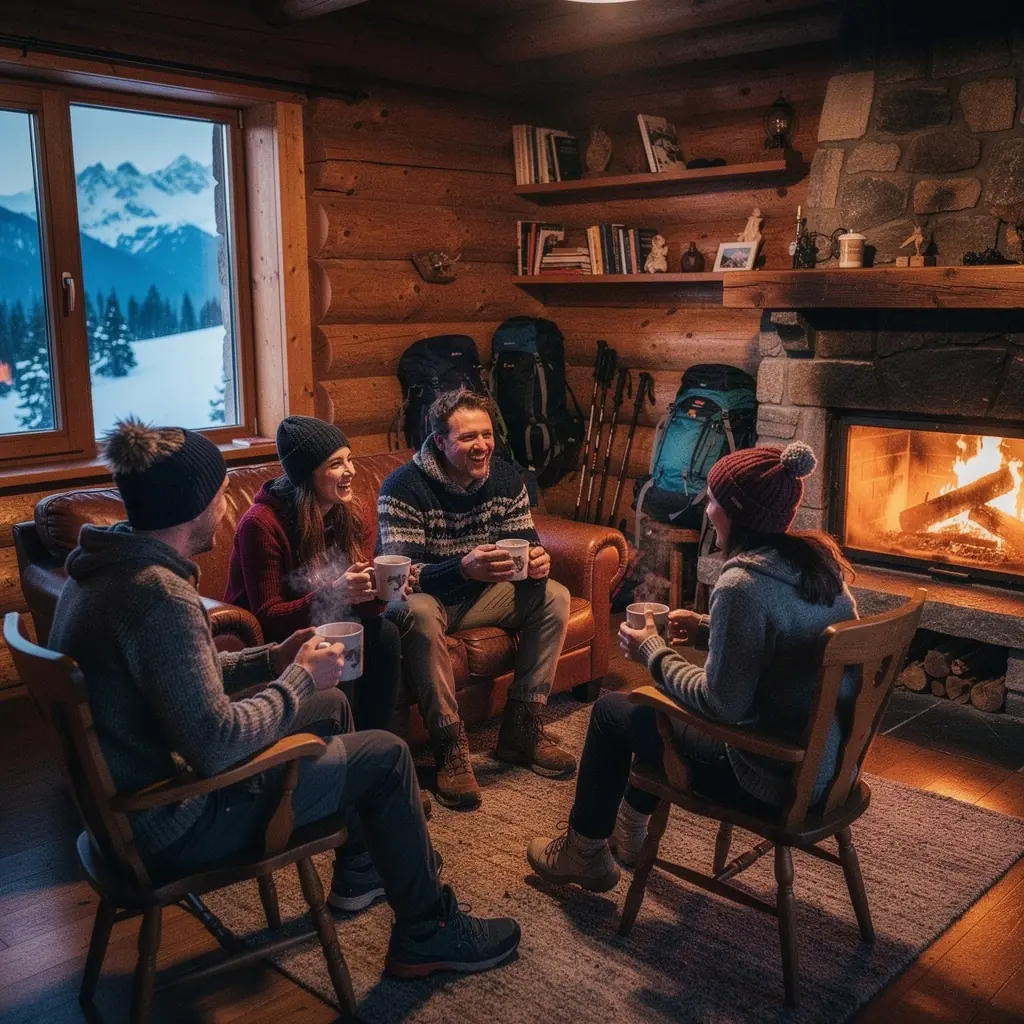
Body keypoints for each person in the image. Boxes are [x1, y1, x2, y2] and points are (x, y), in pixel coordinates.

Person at [48, 418, 520, 975]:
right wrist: (298, 679)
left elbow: (181, 677)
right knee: (388, 757)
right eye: (222, 495)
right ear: (193, 504)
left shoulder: (103, 572)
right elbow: (217, 745)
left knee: (336, 707)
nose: (226, 508)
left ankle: (361, 862)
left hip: (127, 807)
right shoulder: (162, 598)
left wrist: (270, 660)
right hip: (170, 821)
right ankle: (427, 929)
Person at [527, 441, 858, 892]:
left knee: (616, 712)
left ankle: (582, 854)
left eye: (715, 500)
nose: (707, 511)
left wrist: (653, 652)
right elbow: (784, 642)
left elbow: (721, 704)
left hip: (768, 777)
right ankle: (629, 827)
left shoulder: (742, 585)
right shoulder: (817, 564)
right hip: (830, 769)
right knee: (653, 711)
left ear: (739, 513)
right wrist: (705, 629)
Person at [377, 389, 575, 810]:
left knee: (555, 596)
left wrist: (537, 561)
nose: (482, 445)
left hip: (481, 596)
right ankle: (449, 745)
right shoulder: (404, 488)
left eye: (486, 435)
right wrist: (463, 569)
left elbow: (524, 541)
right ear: (440, 442)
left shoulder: (505, 478)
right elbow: (401, 579)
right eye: (468, 438)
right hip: (429, 600)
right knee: (419, 611)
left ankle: (521, 729)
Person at [225, 415, 402, 735]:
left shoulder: (351, 513)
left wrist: (376, 591)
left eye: (349, 459)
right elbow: (267, 617)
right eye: (336, 464)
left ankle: (374, 743)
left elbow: (362, 608)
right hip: (275, 637)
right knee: (335, 643)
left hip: (330, 621)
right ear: (308, 475)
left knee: (384, 633)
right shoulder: (261, 524)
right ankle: (343, 753)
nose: (350, 471)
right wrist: (335, 593)